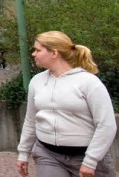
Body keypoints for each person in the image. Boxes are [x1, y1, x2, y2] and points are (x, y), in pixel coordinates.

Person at [17, 31, 117, 177]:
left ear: (54, 53)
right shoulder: (37, 81)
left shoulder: (89, 82)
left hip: (85, 156)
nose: (33, 54)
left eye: (38, 50)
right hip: (48, 155)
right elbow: (31, 120)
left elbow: (106, 124)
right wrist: (23, 152)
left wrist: (90, 160)